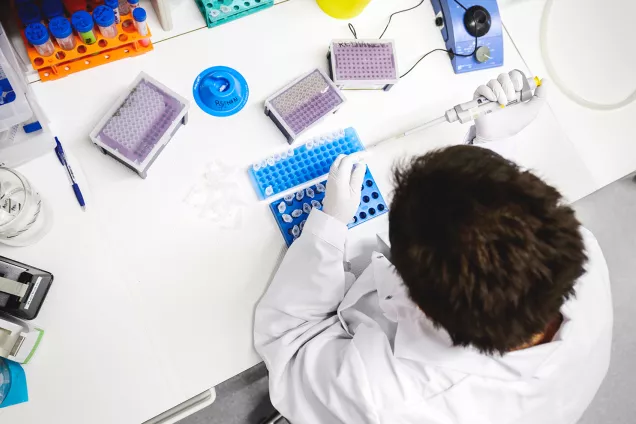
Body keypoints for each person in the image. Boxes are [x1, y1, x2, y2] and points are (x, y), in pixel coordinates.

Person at [254, 71, 612, 424]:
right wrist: (494, 151)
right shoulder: (584, 259)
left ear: (417, 302)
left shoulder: (385, 396)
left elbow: (289, 342)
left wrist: (327, 230)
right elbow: (505, 233)